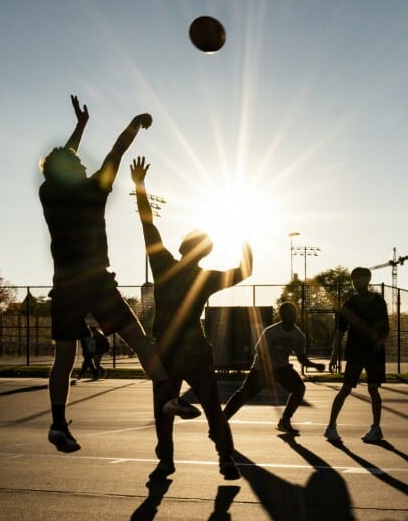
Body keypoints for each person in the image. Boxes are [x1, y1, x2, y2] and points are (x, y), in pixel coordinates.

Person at [39, 95, 180, 454]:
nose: (85, 166)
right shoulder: (93, 189)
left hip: (65, 285)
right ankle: (167, 397)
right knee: (139, 339)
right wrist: (136, 122)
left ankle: (58, 423)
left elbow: (60, 161)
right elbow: (117, 152)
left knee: (64, 360)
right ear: (73, 171)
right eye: (79, 164)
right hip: (97, 281)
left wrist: (80, 128)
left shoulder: (50, 193)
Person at [131, 156, 252, 480]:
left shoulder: (164, 266)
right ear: (205, 252)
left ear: (183, 246)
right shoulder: (207, 277)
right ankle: (226, 459)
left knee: (163, 408)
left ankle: (166, 460)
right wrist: (243, 234)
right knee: (212, 408)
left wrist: (140, 186)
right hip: (196, 349)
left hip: (168, 349)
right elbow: (246, 271)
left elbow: (148, 226)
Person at [223, 302, 326, 435]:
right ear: (282, 316)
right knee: (243, 395)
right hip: (262, 369)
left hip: (281, 369)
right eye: (288, 313)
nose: (292, 316)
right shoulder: (271, 331)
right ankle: (220, 422)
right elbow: (259, 350)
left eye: (293, 313)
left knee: (299, 388)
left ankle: (284, 421)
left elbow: (301, 358)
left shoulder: (298, 336)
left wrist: (314, 365)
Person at [325, 267, 389, 443]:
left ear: (368, 279)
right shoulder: (349, 304)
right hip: (355, 351)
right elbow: (340, 331)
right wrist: (333, 355)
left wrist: (379, 341)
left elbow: (385, 327)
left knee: (373, 389)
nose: (355, 281)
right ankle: (331, 427)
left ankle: (376, 428)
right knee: (345, 388)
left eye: (359, 278)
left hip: (374, 352)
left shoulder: (378, 301)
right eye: (353, 278)